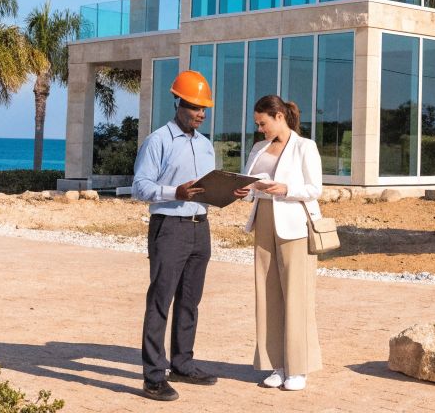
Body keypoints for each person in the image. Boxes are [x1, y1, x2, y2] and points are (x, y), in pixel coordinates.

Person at [131, 70, 219, 402]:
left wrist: (228, 192)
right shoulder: (158, 141)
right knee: (160, 301)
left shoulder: (206, 146)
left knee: (190, 301)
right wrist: (175, 192)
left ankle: (182, 364)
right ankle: (153, 377)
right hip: (169, 228)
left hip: (200, 227)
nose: (201, 113)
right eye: (195, 106)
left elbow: (206, 188)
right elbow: (140, 187)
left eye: (204, 108)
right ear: (178, 103)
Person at [236, 94, 324, 391]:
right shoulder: (258, 148)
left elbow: (314, 188)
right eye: (257, 124)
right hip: (263, 220)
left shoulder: (304, 146)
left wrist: (285, 188)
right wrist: (244, 190)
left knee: (297, 296)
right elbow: (248, 183)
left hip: (294, 226)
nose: (260, 129)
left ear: (279, 116)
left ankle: (298, 368)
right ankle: (277, 365)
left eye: (263, 123)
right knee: (267, 294)